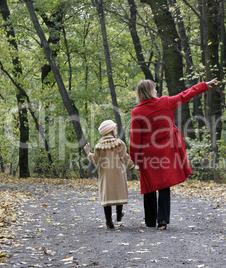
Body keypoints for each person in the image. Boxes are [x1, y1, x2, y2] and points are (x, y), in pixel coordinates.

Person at [130, 78, 218, 230]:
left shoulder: (137, 111)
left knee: (150, 186)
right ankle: (162, 220)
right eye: (154, 89)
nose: (156, 91)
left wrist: (134, 160)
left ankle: (150, 221)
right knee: (164, 184)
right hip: (165, 151)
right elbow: (185, 95)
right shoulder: (165, 102)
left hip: (147, 154)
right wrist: (203, 85)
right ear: (150, 91)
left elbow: (135, 139)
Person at [84, 120, 137, 229]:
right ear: (112, 130)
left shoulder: (99, 146)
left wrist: (88, 153)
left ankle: (109, 221)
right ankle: (118, 214)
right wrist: (132, 166)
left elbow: (95, 160)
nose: (116, 131)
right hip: (118, 173)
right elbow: (125, 157)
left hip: (105, 175)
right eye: (115, 129)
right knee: (119, 191)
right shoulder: (119, 143)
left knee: (107, 195)